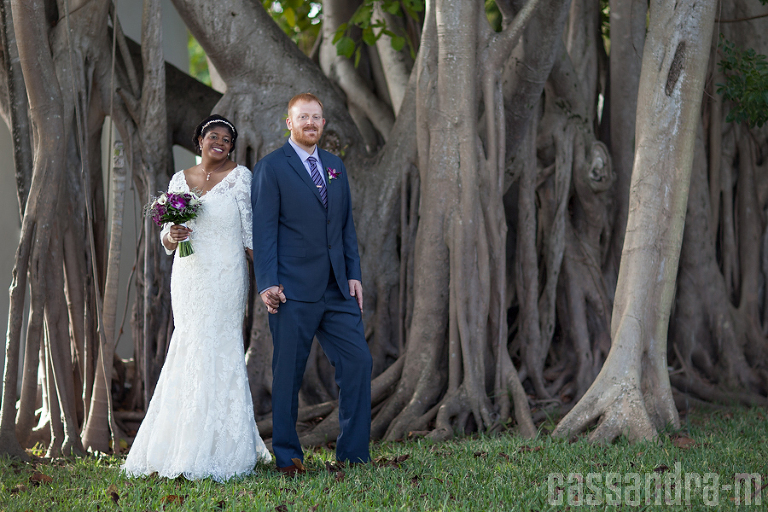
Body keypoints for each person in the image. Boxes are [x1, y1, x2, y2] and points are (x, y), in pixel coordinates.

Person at [122, 115, 270, 482]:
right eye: (212, 136)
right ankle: (179, 443)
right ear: (199, 140)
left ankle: (224, 448)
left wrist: (270, 280)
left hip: (226, 278)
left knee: (219, 347)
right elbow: (166, 241)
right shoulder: (179, 180)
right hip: (188, 279)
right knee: (187, 346)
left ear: (231, 147)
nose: (219, 142)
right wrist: (173, 233)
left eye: (226, 139)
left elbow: (251, 235)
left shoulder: (241, 177)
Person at [252, 93, 372, 476]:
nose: (310, 123)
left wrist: (353, 273)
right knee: (287, 375)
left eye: (316, 117)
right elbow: (264, 231)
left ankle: (352, 455)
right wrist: (267, 283)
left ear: (323, 123)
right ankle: (287, 457)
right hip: (292, 291)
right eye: (302, 117)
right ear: (289, 123)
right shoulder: (271, 167)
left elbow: (344, 227)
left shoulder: (335, 166)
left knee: (358, 362)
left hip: (337, 288)